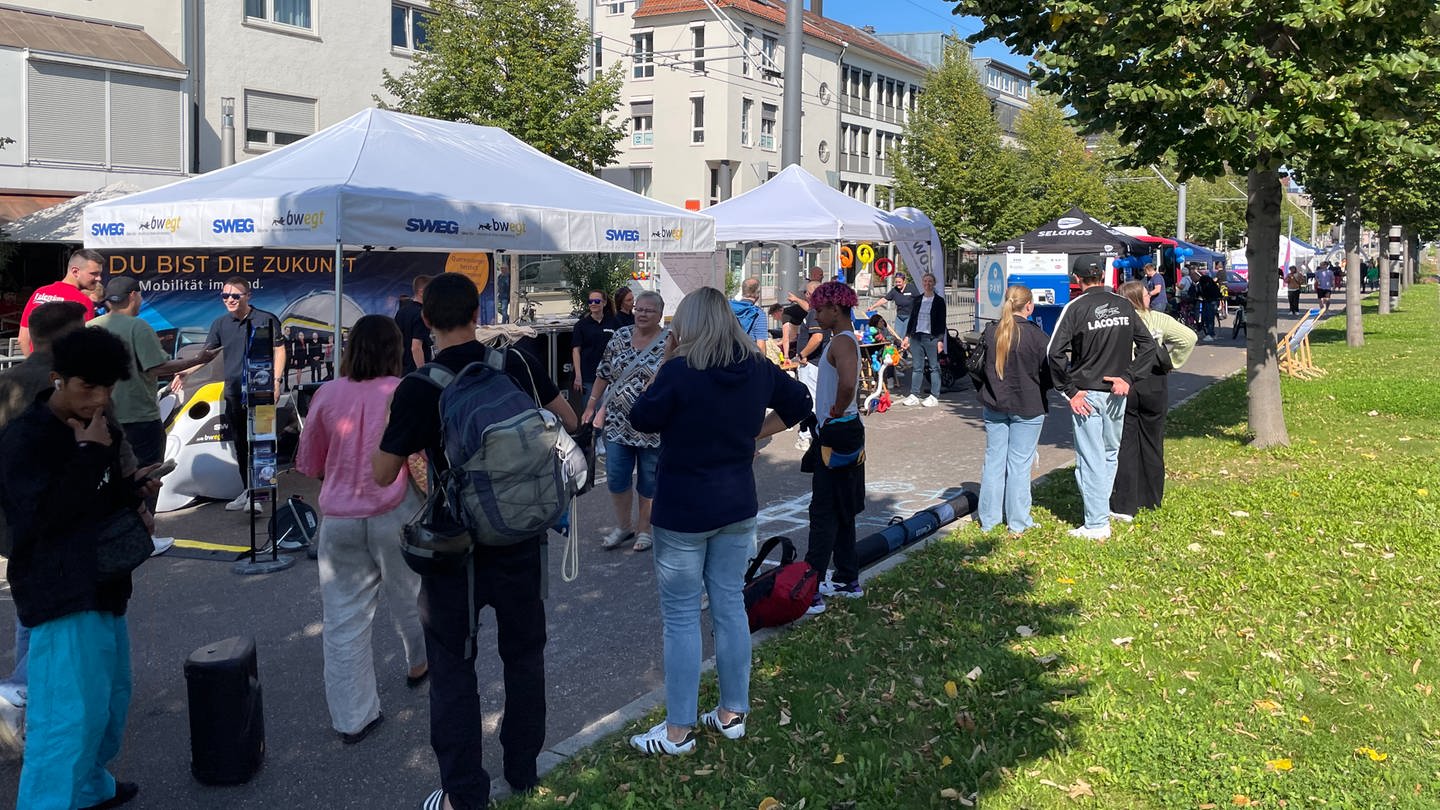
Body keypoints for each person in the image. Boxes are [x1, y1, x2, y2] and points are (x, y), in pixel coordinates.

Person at [372, 273, 576, 809]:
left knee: (453, 669)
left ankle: (465, 793)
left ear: (427, 319)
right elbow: (569, 420)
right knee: (525, 657)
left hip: (454, 547)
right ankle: (524, 772)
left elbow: (381, 472)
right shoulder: (518, 363)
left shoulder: (420, 386)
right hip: (522, 536)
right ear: (477, 311)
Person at [626, 286, 811, 756]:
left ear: (687, 326)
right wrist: (755, 432)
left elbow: (642, 418)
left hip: (683, 508)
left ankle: (678, 731)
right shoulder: (754, 366)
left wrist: (665, 364)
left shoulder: (681, 371)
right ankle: (732, 713)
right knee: (729, 607)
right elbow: (798, 401)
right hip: (735, 505)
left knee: (683, 617)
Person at [0, 326, 163, 810]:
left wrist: (134, 491)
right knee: (65, 718)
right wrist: (91, 456)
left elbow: (100, 497)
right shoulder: (25, 438)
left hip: (104, 582)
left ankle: (91, 788)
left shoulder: (103, 428)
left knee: (108, 704)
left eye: (107, 389)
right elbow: (41, 517)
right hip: (59, 591)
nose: (98, 399)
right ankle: (50, 801)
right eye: (88, 388)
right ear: (58, 379)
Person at [296, 315, 427, 745]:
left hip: (339, 518)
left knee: (343, 620)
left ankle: (354, 718)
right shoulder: (404, 391)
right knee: (411, 597)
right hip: (398, 508)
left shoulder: (328, 394)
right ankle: (419, 663)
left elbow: (309, 462)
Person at [0, 301, 89, 753]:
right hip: (58, 519)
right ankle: (30, 699)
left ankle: (21, 688)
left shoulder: (6, 382)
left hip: (15, 521)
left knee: (27, 604)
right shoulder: (66, 387)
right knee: (56, 614)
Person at [91, 277, 215, 552]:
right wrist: (199, 359)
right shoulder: (138, 327)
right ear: (134, 296)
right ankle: (144, 538)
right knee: (146, 478)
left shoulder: (90, 327)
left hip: (100, 417)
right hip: (138, 416)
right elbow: (158, 367)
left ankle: (113, 536)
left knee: (108, 479)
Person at [1047, 261, 1156, 540]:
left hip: (1088, 393)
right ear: (1104, 276)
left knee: (1090, 457)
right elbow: (1149, 347)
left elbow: (1053, 352)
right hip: (1116, 391)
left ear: (1076, 278)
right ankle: (1100, 511)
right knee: (1108, 453)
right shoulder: (1123, 305)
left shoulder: (1076, 307)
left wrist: (1069, 391)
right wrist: (1128, 378)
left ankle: (1096, 524)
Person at [171, 278, 285, 512]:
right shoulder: (220, 324)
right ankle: (248, 491)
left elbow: (279, 348)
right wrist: (185, 372)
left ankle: (259, 496)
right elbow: (207, 355)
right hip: (234, 392)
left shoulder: (266, 319)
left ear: (248, 296)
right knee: (242, 444)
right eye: (225, 296)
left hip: (262, 392)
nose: (230, 300)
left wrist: (276, 381)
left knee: (261, 443)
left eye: (235, 296)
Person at [582, 291, 667, 553]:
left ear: (660, 314)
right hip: (618, 423)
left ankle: (644, 529)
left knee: (649, 481)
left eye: (649, 310)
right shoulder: (620, 337)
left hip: (653, 426)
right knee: (616, 477)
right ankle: (623, 526)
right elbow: (603, 372)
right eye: (639, 309)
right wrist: (591, 404)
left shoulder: (670, 342)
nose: (641, 314)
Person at [800, 282, 865, 615]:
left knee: (823, 511)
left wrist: (837, 409)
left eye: (820, 309)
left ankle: (810, 589)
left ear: (835, 310)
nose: (815, 314)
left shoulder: (840, 341)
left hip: (837, 431)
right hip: (846, 432)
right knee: (842, 507)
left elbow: (848, 382)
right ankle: (846, 578)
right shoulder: (843, 339)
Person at [1109, 281, 1197, 520]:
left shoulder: (1118, 321)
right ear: (1139, 298)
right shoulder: (1159, 319)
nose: (1150, 297)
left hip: (1126, 380)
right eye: (1147, 294)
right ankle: (1152, 498)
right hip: (1154, 380)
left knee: (1125, 443)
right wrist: (1171, 363)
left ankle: (1125, 502)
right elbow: (1188, 338)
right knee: (1153, 440)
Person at [975, 285, 1052, 536]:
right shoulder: (1038, 337)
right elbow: (1049, 374)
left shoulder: (991, 332)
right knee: (1019, 464)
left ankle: (989, 520)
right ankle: (1018, 521)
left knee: (994, 461)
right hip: (1028, 405)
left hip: (995, 403)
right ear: (1029, 306)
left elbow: (977, 368)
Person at [17, 248, 103, 355]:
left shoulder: (39, 293)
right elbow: (85, 345)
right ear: (75, 271)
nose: (99, 278)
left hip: (38, 365)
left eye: (99, 273)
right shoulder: (82, 301)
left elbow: (23, 339)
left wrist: (34, 367)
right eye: (94, 274)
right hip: (65, 368)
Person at [901, 272, 947, 407]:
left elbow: (941, 322)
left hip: (931, 337)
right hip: (917, 336)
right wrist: (907, 336)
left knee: (934, 367)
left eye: (930, 281)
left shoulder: (939, 301)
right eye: (925, 281)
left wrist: (940, 340)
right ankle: (914, 394)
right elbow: (912, 319)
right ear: (922, 283)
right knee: (917, 367)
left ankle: (934, 395)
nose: (927, 284)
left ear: (934, 283)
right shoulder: (917, 300)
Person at [792, 281, 827, 451]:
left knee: (809, 401)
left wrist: (802, 354)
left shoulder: (815, 312)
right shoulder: (825, 311)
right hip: (820, 363)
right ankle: (817, 434)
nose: (804, 295)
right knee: (818, 400)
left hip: (812, 364)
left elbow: (817, 337)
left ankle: (807, 436)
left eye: (806, 292)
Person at [570, 289, 618, 408]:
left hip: (610, 375)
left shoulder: (614, 322)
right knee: (590, 411)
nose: (593, 304)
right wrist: (578, 376)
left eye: (597, 301)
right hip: (589, 376)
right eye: (590, 301)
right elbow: (576, 351)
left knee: (608, 410)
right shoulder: (581, 325)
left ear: (604, 303)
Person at [395, 274, 433, 375]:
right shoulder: (422, 314)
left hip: (402, 368)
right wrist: (422, 372)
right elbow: (416, 347)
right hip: (415, 371)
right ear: (421, 292)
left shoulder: (401, 311)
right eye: (432, 291)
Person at [870, 272, 917, 339]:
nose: (898, 284)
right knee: (897, 335)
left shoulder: (911, 288)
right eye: (896, 282)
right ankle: (898, 348)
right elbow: (885, 299)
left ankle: (906, 348)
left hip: (909, 316)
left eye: (899, 282)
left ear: (904, 281)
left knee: (905, 335)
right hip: (899, 317)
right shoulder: (894, 290)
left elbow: (920, 299)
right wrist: (873, 306)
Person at [731, 277, 769, 352]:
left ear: (743, 292)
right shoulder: (758, 314)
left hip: (729, 356)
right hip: (749, 356)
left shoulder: (727, 308)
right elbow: (761, 346)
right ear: (757, 294)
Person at [1194, 268, 1222, 341]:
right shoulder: (1211, 283)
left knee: (1208, 317)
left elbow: (1200, 292)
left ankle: (1210, 334)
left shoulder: (1202, 282)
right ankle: (1210, 333)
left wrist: (1198, 296)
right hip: (1214, 300)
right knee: (1210, 317)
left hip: (1210, 301)